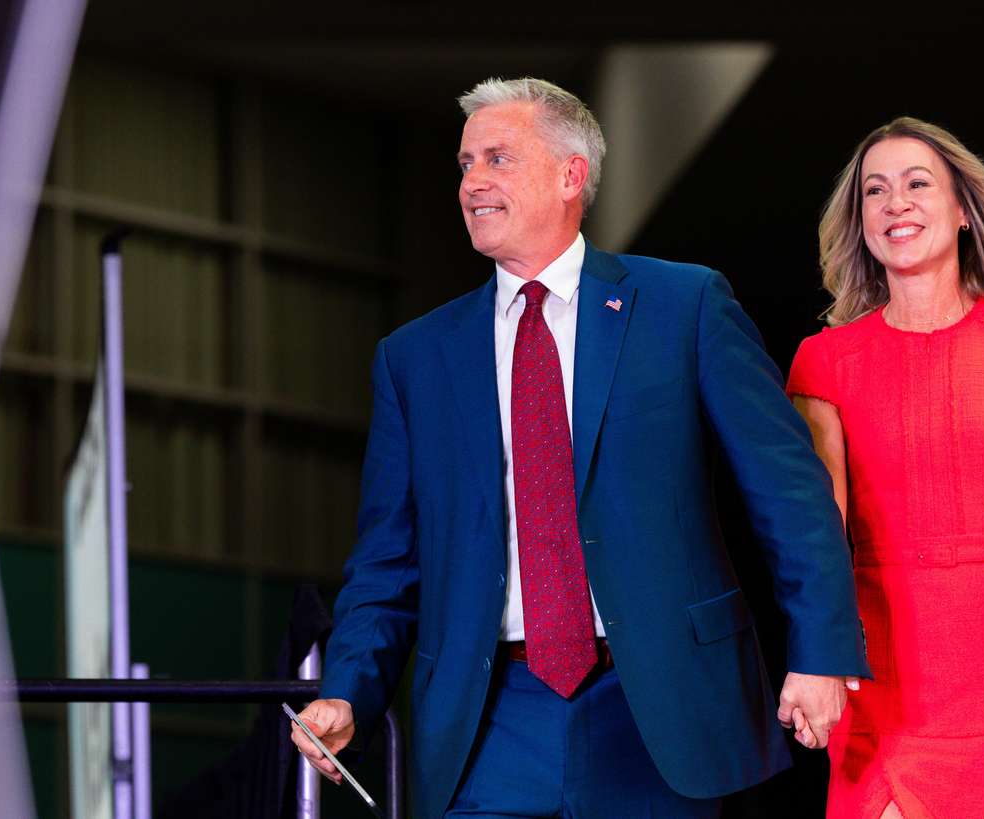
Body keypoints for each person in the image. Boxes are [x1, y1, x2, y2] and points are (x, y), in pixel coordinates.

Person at [292, 77, 869, 819]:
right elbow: (387, 558)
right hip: (486, 721)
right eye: (465, 165)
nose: (473, 183)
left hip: (659, 706)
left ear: (572, 175)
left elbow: (788, 492)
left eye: (497, 159)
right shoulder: (415, 358)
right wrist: (347, 689)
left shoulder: (684, 306)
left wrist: (819, 650)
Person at [787, 117, 984, 819]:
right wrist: (815, 654)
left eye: (916, 184)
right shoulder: (824, 360)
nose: (894, 203)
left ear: (964, 210)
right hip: (884, 681)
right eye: (875, 191)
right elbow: (820, 539)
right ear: (862, 222)